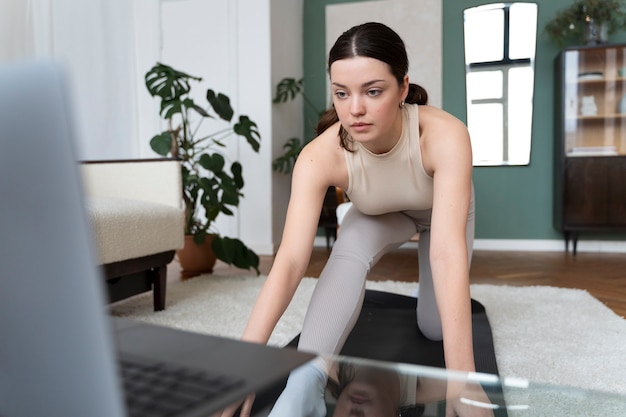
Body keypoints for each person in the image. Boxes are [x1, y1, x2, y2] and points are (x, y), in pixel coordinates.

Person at [218, 21, 484, 417]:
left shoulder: (445, 134)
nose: (354, 109)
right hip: (379, 214)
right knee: (349, 246)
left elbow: (446, 253)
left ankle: (420, 297)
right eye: (342, 93)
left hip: (438, 215)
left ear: (403, 88)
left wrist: (464, 381)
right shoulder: (319, 156)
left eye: (373, 91)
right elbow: (290, 261)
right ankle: (306, 380)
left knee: (433, 328)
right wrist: (245, 364)